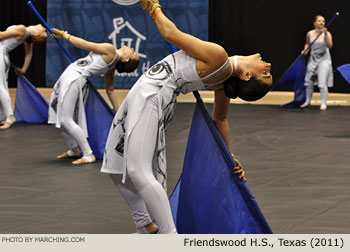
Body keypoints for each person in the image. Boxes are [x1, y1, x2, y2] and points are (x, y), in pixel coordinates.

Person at [101, 0, 273, 234]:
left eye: (265, 73)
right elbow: (220, 120)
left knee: (137, 170)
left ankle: (170, 237)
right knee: (114, 162)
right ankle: (145, 226)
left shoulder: (219, 57)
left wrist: (154, 7)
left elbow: (170, 33)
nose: (268, 64)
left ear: (245, 76)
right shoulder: (223, 82)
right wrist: (229, 158)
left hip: (153, 95)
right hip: (146, 93)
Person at [48, 28, 139, 164]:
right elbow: (110, 90)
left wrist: (65, 35)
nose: (132, 48)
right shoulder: (112, 66)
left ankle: (88, 154)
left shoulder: (110, 50)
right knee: (58, 113)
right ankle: (74, 149)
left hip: (75, 78)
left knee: (66, 120)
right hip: (71, 76)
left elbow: (84, 44)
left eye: (133, 52)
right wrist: (117, 110)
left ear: (125, 59)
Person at [0, 24, 47, 130]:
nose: (41, 26)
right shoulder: (26, 35)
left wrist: (23, 70)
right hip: (3, 56)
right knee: (2, 87)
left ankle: (9, 117)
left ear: (37, 32)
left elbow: (1, 35)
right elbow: (28, 54)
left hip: (1, 55)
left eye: (43, 29)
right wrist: (23, 70)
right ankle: (3, 115)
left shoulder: (22, 29)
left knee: (0, 87)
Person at [300, 15, 333, 110]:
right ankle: (307, 101)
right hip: (313, 60)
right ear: (315, 22)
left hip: (324, 60)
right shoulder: (310, 33)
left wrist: (326, 34)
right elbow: (307, 44)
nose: (321, 23)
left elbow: (329, 45)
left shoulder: (327, 34)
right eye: (319, 21)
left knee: (322, 82)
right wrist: (305, 50)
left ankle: (323, 103)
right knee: (309, 82)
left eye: (323, 21)